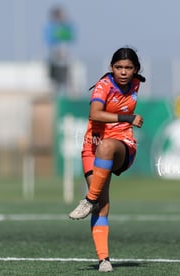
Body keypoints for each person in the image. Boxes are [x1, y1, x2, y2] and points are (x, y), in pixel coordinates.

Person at [68, 47, 146, 272]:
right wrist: (128, 117)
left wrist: (125, 123)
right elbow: (94, 114)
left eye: (128, 68)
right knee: (102, 204)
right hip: (91, 148)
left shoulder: (136, 82)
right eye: (119, 67)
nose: (123, 72)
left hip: (122, 145)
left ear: (135, 69)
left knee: (108, 145)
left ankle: (88, 200)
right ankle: (104, 259)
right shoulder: (104, 86)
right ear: (111, 68)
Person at [44, 5, 75, 95]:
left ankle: (69, 97)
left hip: (65, 61)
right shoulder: (51, 28)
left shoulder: (66, 28)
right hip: (54, 61)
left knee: (68, 82)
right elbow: (50, 43)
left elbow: (69, 41)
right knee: (54, 84)